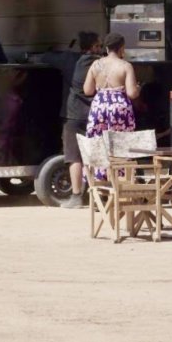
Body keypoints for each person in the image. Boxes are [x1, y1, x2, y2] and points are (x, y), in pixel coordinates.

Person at [83, 32, 139, 179]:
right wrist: (138, 88)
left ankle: (99, 177)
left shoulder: (96, 64)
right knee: (121, 145)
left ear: (107, 48)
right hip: (119, 107)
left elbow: (88, 90)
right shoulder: (126, 66)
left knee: (98, 142)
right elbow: (132, 93)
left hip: (99, 106)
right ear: (121, 48)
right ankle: (120, 178)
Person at [58, 32, 102, 209]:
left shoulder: (69, 60)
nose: (100, 49)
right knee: (97, 156)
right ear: (93, 47)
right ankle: (98, 196)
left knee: (74, 157)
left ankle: (76, 197)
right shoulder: (101, 64)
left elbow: (47, 58)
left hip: (74, 114)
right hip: (95, 114)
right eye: (98, 46)